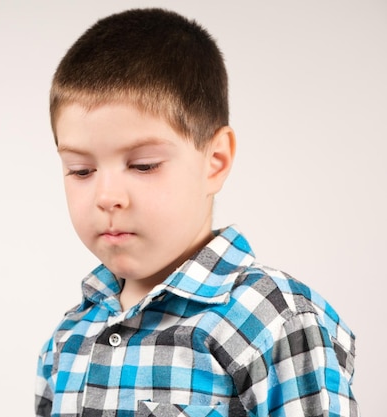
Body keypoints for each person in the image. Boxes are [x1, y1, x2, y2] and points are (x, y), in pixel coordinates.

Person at [35, 8, 358, 417]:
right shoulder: (69, 338)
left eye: (143, 165)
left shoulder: (273, 320)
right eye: (81, 170)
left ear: (215, 161)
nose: (107, 196)